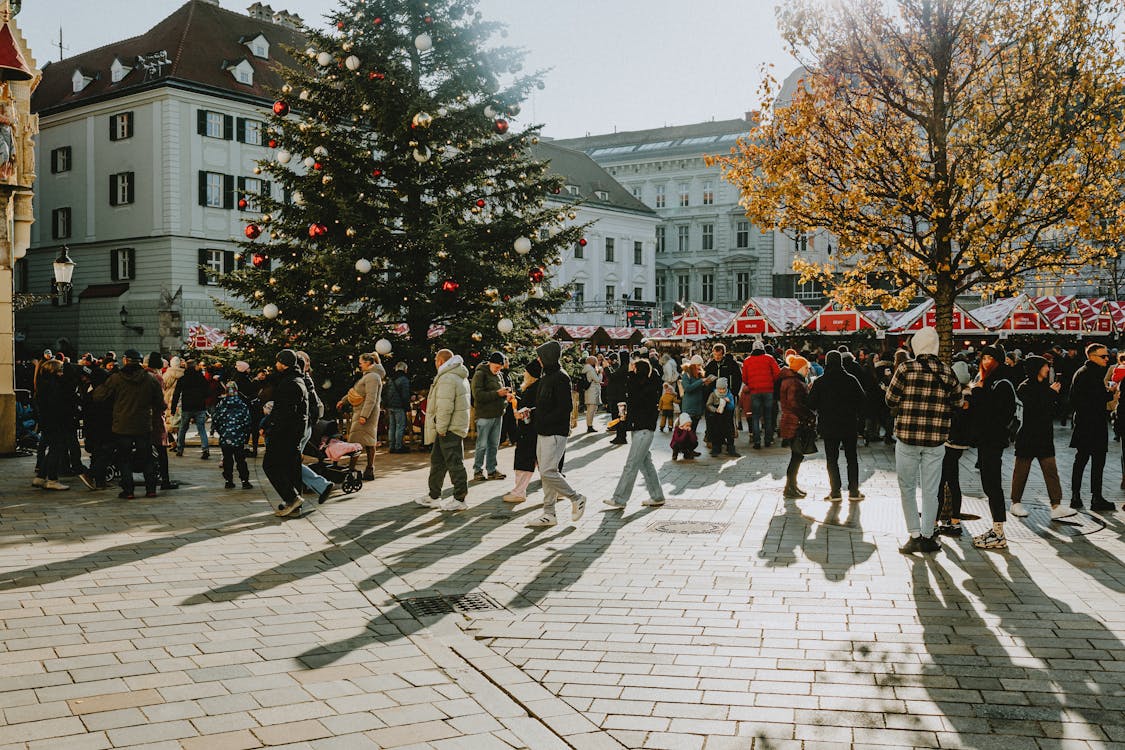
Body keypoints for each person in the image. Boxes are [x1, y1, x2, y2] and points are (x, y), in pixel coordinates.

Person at [885, 327, 960, 554]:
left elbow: (890, 399)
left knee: (906, 487)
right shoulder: (947, 372)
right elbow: (957, 401)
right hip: (936, 439)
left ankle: (914, 534)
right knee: (930, 489)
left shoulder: (906, 368)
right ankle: (928, 535)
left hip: (908, 437)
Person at [527, 341, 586, 527]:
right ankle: (549, 513)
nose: (538, 359)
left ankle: (576, 498)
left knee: (548, 471)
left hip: (554, 432)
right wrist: (532, 412)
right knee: (546, 473)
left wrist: (543, 419)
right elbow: (546, 404)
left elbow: (565, 407)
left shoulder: (561, 377)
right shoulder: (547, 377)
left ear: (548, 357)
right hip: (544, 431)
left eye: (540, 356)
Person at [93, 349, 166, 500]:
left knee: (124, 458)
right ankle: (151, 489)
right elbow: (160, 403)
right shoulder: (150, 379)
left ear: (125, 360)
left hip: (122, 425)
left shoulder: (116, 379)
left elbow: (99, 396)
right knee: (147, 458)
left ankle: (128, 491)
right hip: (143, 425)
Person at [1010, 354, 1075, 521]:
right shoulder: (1025, 387)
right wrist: (1051, 394)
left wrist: (1053, 394)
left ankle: (1056, 505)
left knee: (1051, 471)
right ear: (1037, 368)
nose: (1048, 369)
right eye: (1045, 366)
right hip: (1028, 436)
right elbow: (1035, 409)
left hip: (1044, 436)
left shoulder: (1045, 387)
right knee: (1021, 472)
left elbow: (1051, 410)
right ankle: (1015, 502)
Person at [968, 345, 1018, 550]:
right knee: (989, 485)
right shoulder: (988, 381)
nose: (987, 361)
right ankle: (996, 529)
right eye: (984, 357)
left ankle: (999, 532)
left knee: (993, 485)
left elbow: (994, 412)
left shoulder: (1001, 383)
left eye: (991, 358)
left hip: (993, 440)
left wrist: (977, 394)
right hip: (986, 439)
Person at [604, 358, 665, 509]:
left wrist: (631, 376)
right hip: (640, 428)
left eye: (633, 368)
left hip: (643, 429)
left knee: (631, 465)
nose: (630, 370)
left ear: (639, 371)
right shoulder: (645, 385)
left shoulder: (644, 387)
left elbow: (635, 395)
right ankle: (657, 496)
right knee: (645, 464)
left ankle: (619, 499)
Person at [416, 348, 471, 511]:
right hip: (452, 426)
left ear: (440, 361)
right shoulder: (456, 375)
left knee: (454, 462)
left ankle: (460, 499)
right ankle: (434, 496)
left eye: (435, 360)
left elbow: (445, 406)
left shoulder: (447, 377)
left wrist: (440, 427)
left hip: (449, 428)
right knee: (438, 462)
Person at [808, 350, 866, 501]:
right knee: (851, 458)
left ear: (827, 362)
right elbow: (862, 400)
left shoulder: (820, 381)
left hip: (829, 426)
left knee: (831, 459)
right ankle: (853, 491)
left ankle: (835, 491)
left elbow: (811, 403)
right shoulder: (851, 379)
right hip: (849, 424)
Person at [1069, 342, 1117, 512]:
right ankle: (1096, 497)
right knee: (1096, 461)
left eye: (1107, 356)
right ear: (1091, 356)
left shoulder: (1082, 372)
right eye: (1103, 356)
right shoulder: (1091, 374)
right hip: (1093, 423)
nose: (1106, 359)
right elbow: (1096, 398)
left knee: (1081, 460)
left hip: (1083, 423)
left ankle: (1076, 496)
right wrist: (1110, 392)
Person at [263, 349, 308, 517]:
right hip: (293, 431)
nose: (276, 365)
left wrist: (271, 428)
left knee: (270, 465)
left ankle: (292, 498)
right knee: (291, 467)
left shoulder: (290, 383)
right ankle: (294, 503)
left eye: (278, 362)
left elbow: (284, 412)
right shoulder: (295, 379)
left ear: (284, 363)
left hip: (285, 432)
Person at [935, 361, 973, 538]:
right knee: (953, 481)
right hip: (960, 444)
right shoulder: (971, 395)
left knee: (941, 482)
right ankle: (955, 521)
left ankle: (934, 521)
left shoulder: (956, 397)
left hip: (949, 442)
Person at [338, 352, 385, 481]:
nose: (359, 364)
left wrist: (364, 415)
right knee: (369, 441)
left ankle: (352, 469)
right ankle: (368, 470)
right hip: (365, 412)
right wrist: (344, 400)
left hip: (365, 413)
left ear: (368, 363)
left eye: (361, 362)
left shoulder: (372, 377)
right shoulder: (371, 376)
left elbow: (371, 398)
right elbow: (358, 392)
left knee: (357, 442)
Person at [295, 352, 333, 504]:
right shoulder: (306, 378)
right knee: (292, 461)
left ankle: (318, 486)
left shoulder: (301, 379)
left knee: (288, 461)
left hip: (300, 425)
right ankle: (296, 495)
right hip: (306, 424)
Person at [504, 360, 542, 505]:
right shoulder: (536, 387)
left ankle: (519, 492)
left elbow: (529, 408)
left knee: (524, 462)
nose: (524, 374)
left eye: (526, 372)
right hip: (533, 431)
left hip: (528, 431)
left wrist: (519, 409)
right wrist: (515, 401)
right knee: (543, 463)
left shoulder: (533, 389)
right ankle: (557, 491)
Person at [470, 352, 510, 481]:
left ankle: (492, 469)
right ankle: (477, 470)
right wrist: (497, 393)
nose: (498, 370)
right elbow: (478, 395)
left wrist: (506, 396)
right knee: (482, 444)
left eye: (500, 368)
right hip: (485, 415)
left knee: (494, 444)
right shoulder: (480, 374)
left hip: (498, 414)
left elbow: (500, 391)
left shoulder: (499, 375)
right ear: (491, 363)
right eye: (497, 367)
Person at [33, 358, 71, 490]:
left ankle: (41, 477)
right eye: (60, 370)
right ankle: (52, 479)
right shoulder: (54, 386)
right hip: (54, 422)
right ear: (53, 371)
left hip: (46, 421)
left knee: (52, 449)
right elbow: (57, 406)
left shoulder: (43, 384)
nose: (62, 373)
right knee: (56, 449)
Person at [779, 355, 813, 498]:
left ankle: (792, 486)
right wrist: (808, 414)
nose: (808, 371)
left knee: (797, 456)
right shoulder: (794, 382)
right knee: (796, 456)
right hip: (795, 421)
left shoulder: (792, 380)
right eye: (806, 368)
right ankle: (789, 488)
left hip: (791, 420)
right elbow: (794, 404)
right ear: (799, 368)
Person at [143, 353, 179, 492]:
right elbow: (159, 400)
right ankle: (164, 480)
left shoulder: (140, 376)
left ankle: (149, 482)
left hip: (141, 417)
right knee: (161, 450)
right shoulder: (156, 378)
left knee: (145, 450)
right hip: (156, 417)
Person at [212, 381, 253, 490]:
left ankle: (228, 481)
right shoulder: (242, 404)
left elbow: (215, 420)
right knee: (240, 460)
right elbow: (247, 422)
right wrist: (245, 435)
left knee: (227, 459)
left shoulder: (221, 404)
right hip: (239, 437)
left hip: (226, 437)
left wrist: (221, 432)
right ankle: (245, 481)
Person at [741, 340, 780, 449]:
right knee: (768, 416)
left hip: (754, 391)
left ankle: (757, 441)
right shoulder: (769, 358)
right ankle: (768, 440)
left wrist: (751, 383)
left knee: (755, 417)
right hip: (768, 391)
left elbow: (744, 378)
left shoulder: (747, 361)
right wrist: (770, 382)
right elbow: (777, 373)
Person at [172, 359, 211, 459]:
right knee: (201, 429)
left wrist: (173, 408)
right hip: (199, 406)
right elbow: (208, 392)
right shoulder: (201, 378)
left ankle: (180, 448)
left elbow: (176, 394)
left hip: (187, 406)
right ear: (195, 367)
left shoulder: (183, 378)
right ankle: (205, 449)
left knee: (183, 428)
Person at [705, 377, 739, 457]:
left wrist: (729, 402)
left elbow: (732, 407)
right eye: (719, 389)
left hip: (727, 417)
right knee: (716, 432)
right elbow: (708, 404)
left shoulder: (729, 394)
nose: (721, 391)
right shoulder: (713, 394)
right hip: (716, 417)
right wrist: (714, 409)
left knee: (729, 432)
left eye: (723, 389)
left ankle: (731, 448)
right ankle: (716, 448)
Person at [385, 361, 412, 453]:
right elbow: (405, 395)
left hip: (390, 405)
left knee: (392, 426)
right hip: (399, 406)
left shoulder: (390, 379)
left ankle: (391, 446)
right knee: (400, 426)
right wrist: (407, 407)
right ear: (405, 369)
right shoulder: (404, 379)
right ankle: (398, 446)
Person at [605, 350, 630, 445]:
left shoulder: (623, 368)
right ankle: (621, 435)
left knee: (619, 416)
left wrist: (606, 368)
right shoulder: (626, 367)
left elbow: (612, 376)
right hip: (621, 395)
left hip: (618, 396)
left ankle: (621, 436)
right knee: (621, 416)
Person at [581, 356, 601, 433]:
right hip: (593, 392)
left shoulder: (586, 368)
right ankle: (590, 426)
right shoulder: (591, 370)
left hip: (588, 391)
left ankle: (589, 425)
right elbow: (598, 380)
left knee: (590, 410)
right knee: (591, 410)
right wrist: (600, 373)